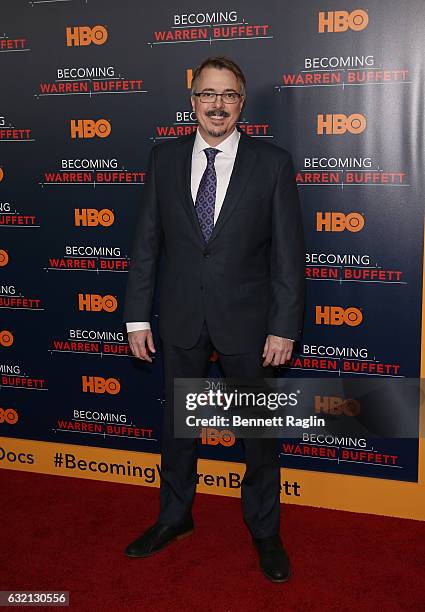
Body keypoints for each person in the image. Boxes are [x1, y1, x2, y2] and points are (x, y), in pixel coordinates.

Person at [123, 56, 305, 582]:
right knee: (178, 432)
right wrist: (137, 317)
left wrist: (284, 326)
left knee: (258, 435)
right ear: (193, 102)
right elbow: (146, 245)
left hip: (250, 325)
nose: (217, 104)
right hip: (180, 317)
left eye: (227, 95)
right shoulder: (164, 158)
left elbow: (289, 257)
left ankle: (265, 531)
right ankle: (174, 519)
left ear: (241, 103)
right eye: (207, 94)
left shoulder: (271, 163)